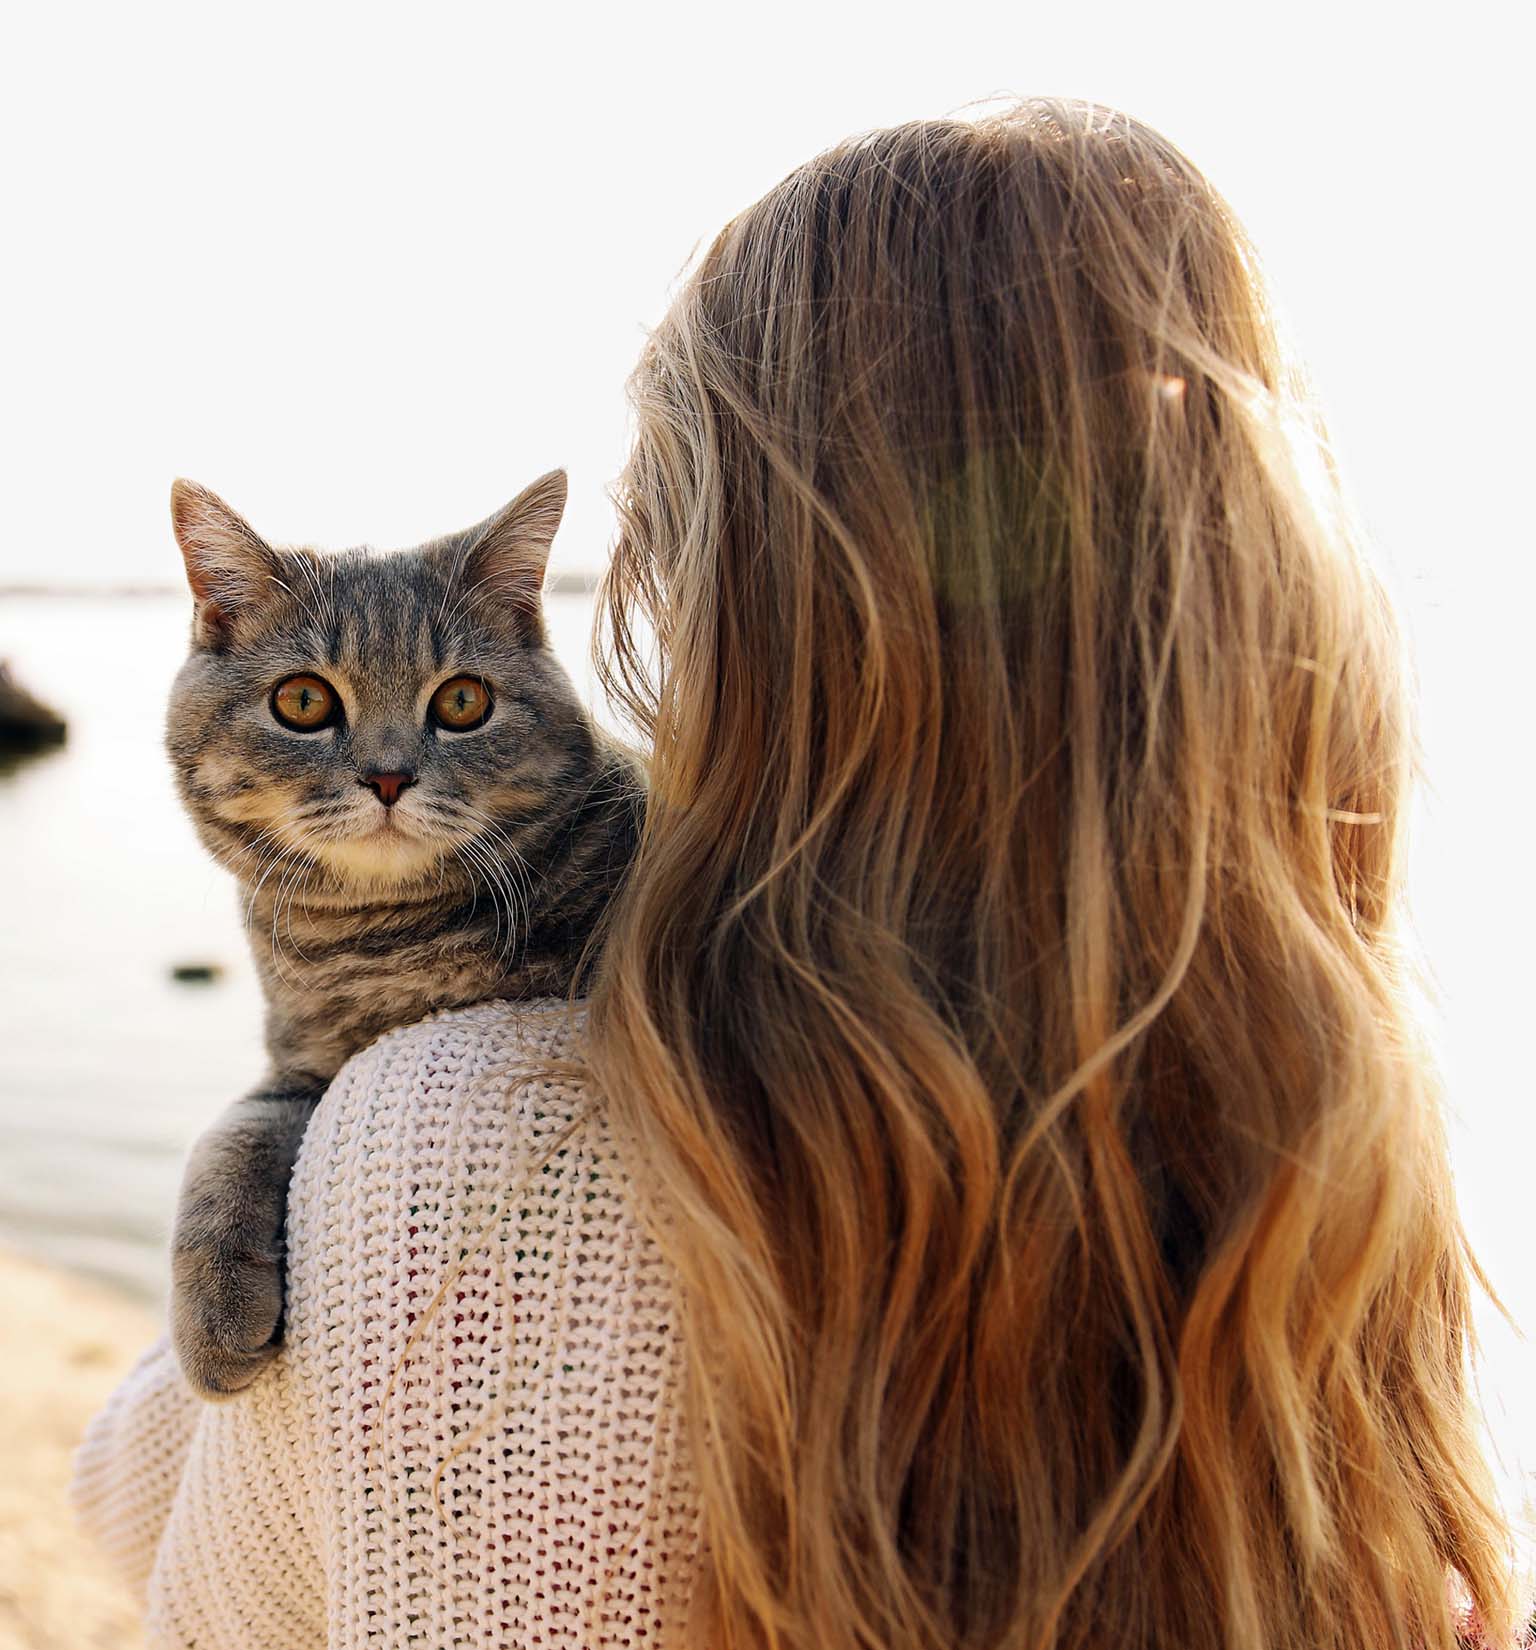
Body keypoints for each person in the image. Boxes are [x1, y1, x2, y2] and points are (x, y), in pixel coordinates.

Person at [73, 99, 1525, 1650]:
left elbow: (139, 1501)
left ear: (721, 624)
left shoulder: (461, 1144)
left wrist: (311, 1164)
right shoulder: (1341, 1206)